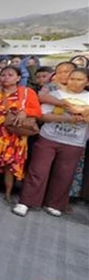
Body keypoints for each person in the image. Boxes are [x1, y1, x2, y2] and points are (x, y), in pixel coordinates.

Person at [13, 68, 89, 217]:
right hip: (49, 137)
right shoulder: (56, 95)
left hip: (75, 141)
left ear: (87, 81)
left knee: (64, 174)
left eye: (79, 79)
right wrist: (68, 118)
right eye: (72, 78)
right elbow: (43, 116)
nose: (74, 82)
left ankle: (55, 204)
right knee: (38, 171)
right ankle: (26, 201)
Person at [0, 66, 42, 203]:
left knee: (10, 165)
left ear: (18, 78)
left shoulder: (26, 93)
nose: (5, 77)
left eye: (10, 75)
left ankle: (8, 193)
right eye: (3, 75)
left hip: (14, 135)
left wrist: (25, 112)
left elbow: (37, 111)